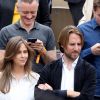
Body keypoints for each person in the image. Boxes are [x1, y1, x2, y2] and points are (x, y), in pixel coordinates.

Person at [35, 25, 96, 100]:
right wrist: (69, 93)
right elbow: (39, 95)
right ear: (62, 45)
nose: (76, 48)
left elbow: (87, 98)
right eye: (72, 44)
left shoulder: (89, 70)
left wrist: (52, 92)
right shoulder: (50, 68)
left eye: (79, 44)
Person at [0, 0, 56, 73]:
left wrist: (43, 51)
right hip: (13, 79)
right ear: (18, 9)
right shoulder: (5, 32)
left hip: (40, 79)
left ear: (37, 9)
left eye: (33, 12)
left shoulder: (47, 31)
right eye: (25, 12)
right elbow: (1, 65)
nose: (29, 16)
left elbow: (54, 65)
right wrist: (14, 50)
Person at [78, 0, 100, 99]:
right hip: (91, 90)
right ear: (94, 11)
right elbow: (70, 58)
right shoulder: (82, 30)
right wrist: (90, 51)